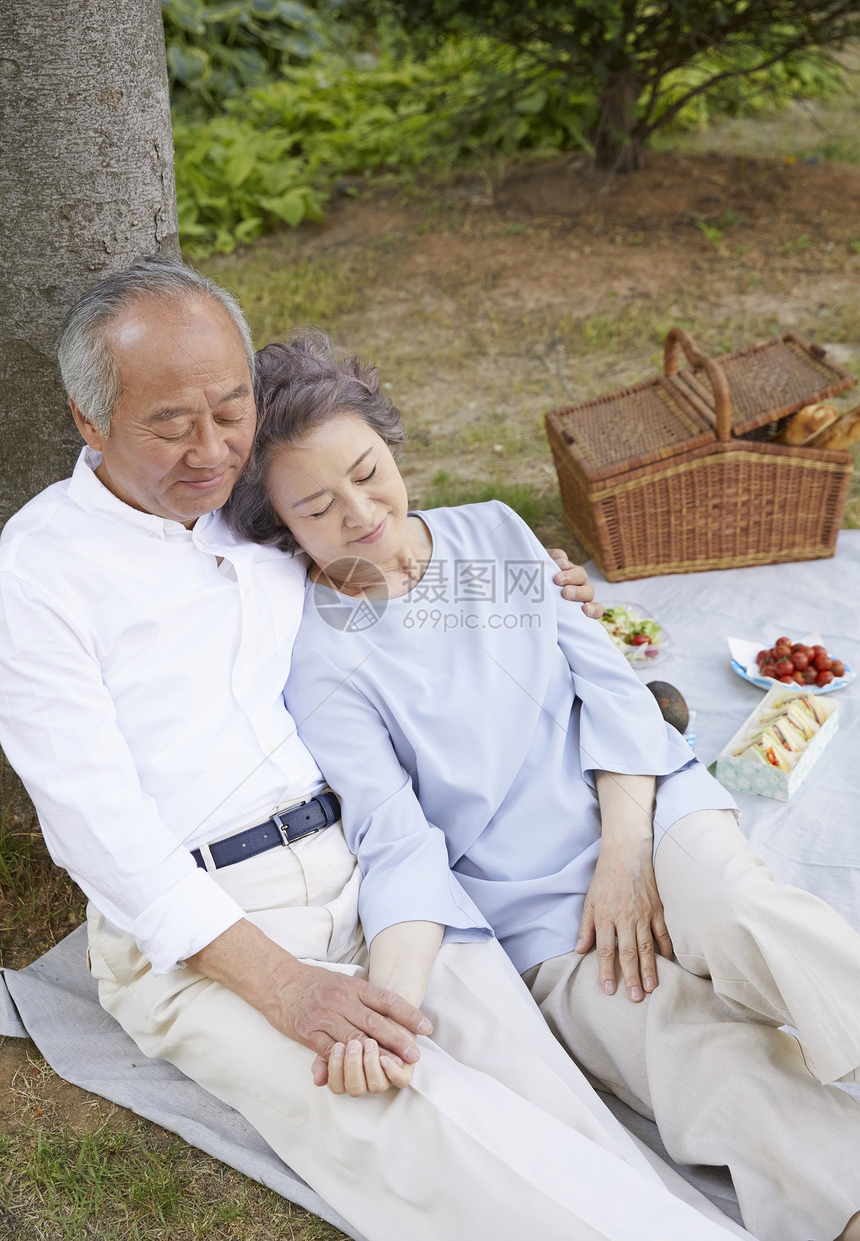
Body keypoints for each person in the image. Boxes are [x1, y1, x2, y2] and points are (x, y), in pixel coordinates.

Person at [0, 257, 753, 1241]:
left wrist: (533, 579)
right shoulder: (39, 577)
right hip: (210, 928)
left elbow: (391, 554)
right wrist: (286, 987)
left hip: (377, 873)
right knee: (428, 1126)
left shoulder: (249, 511)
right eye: (169, 422)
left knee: (550, 1098)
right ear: (89, 421)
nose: (211, 449)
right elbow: (97, 832)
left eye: (231, 410)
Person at [224, 330, 860, 1241]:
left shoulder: (492, 529)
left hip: (643, 799)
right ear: (284, 528)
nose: (361, 513)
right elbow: (395, 837)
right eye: (318, 507)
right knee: (684, 1049)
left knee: (742, 916)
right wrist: (393, 1011)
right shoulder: (321, 659)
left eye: (368, 471)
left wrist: (625, 854)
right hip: (535, 911)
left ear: (392, 445)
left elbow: (610, 689)